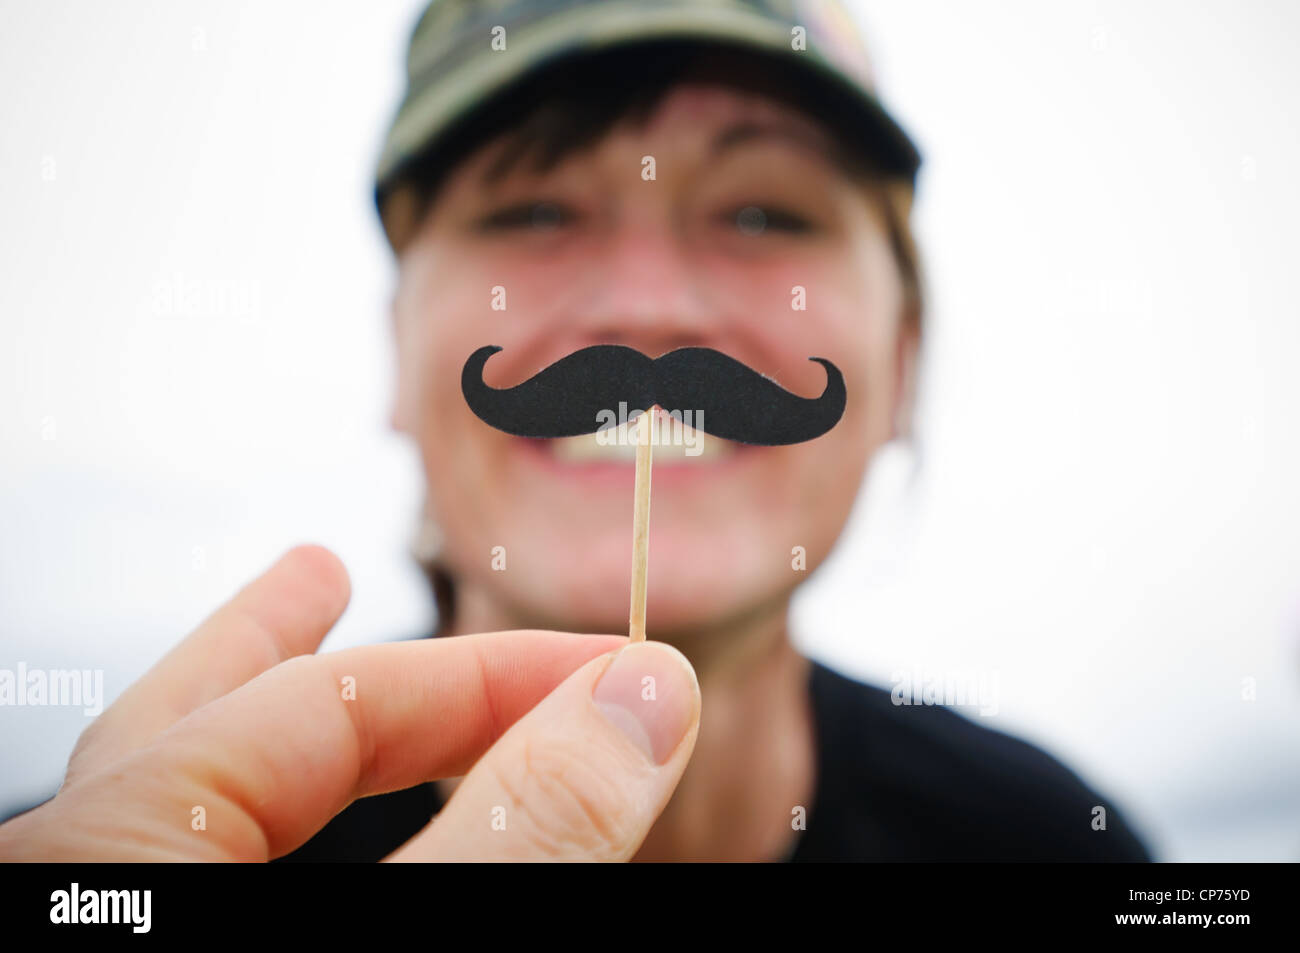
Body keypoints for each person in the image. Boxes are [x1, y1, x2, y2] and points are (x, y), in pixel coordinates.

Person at [0, 0, 1150, 862]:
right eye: (534, 208)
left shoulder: (1055, 843)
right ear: (397, 351)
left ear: (900, 363)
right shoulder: (130, 852)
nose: (647, 308)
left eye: (763, 211)